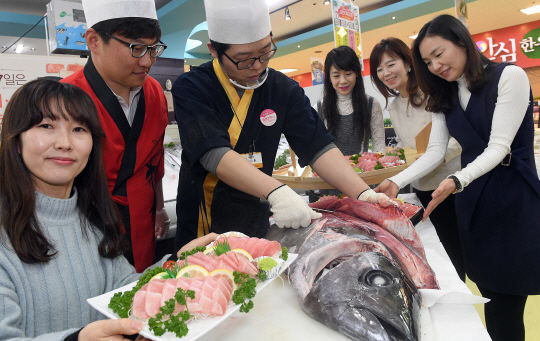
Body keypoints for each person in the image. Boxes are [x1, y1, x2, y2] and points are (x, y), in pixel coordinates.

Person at [0, 79, 216, 341]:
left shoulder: (92, 218)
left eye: (79, 128)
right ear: (15, 136)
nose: (65, 143)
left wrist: (177, 264)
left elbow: (121, 292)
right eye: (46, 125)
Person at [172, 0, 392, 250]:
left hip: (257, 216)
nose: (257, 66)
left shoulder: (282, 89)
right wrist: (277, 191)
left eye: (265, 52)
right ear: (214, 50)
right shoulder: (192, 87)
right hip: (206, 224)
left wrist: (363, 194)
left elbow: (318, 146)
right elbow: (213, 153)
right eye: (243, 60)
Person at [375, 15, 540, 341]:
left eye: (439, 53)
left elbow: (499, 147)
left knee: (507, 302)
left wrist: (456, 181)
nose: (435, 65)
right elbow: (435, 151)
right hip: (475, 204)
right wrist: (397, 180)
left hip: (512, 201)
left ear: (462, 42)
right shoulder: (445, 94)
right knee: (489, 292)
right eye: (427, 61)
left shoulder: (510, 76)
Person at [62, 0, 170, 272]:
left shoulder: (155, 91)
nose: (147, 62)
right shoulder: (64, 99)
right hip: (87, 222)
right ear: (94, 41)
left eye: (153, 48)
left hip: (143, 218)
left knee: (144, 291)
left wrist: (158, 207)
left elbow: (154, 161)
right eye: (136, 49)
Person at [369, 37, 465, 281]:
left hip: (451, 185)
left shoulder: (433, 93)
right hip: (422, 186)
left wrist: (432, 156)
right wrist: (396, 156)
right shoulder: (393, 105)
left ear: (408, 63)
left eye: (391, 64)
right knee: (440, 252)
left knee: (458, 254)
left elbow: (456, 141)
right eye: (379, 69)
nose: (385, 73)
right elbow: (407, 143)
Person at [317, 45, 386, 155]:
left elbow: (379, 147)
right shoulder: (319, 108)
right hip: (330, 171)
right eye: (336, 76)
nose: (343, 81)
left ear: (357, 73)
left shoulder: (371, 104)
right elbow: (317, 149)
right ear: (329, 78)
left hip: (362, 170)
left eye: (348, 74)